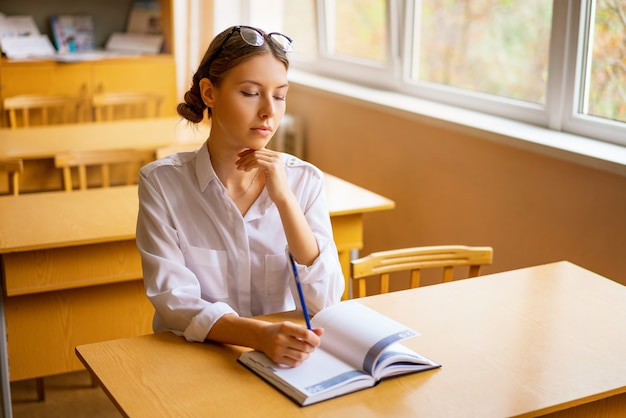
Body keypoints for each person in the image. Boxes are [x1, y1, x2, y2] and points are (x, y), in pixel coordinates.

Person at [136, 25, 344, 367]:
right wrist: (258, 336)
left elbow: (324, 302)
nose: (269, 111)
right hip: (195, 359)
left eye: (279, 95)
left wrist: (285, 201)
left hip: (284, 360)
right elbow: (174, 301)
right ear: (209, 93)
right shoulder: (162, 183)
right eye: (250, 92)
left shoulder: (304, 181)